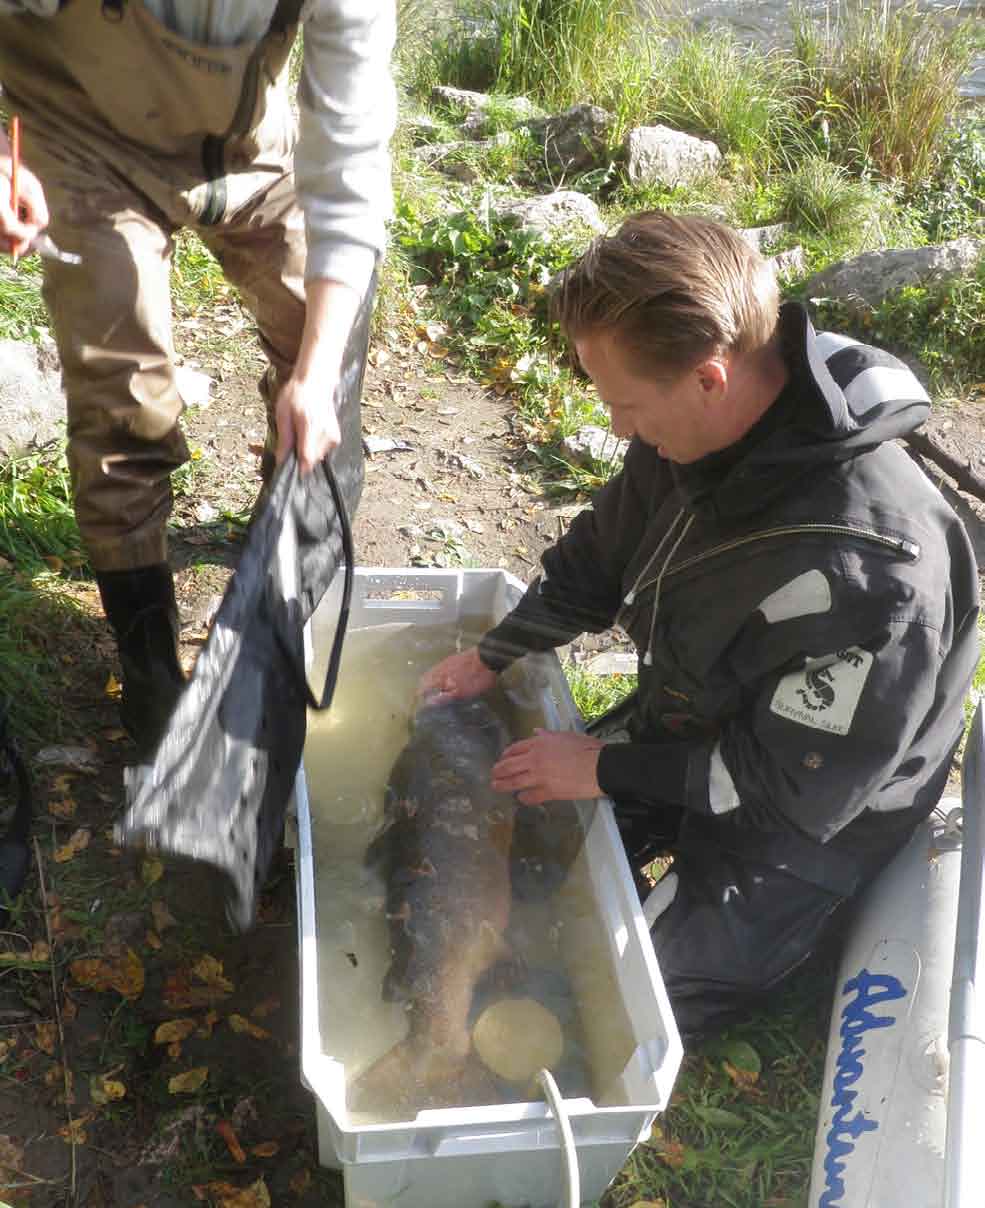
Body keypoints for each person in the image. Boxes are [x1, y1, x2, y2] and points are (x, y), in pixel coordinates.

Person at [420, 211, 981, 1038]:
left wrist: (606, 771)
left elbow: (791, 791)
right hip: (701, 714)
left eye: (625, 405)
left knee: (606, 1010)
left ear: (709, 378)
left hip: (808, 806)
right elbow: (598, 559)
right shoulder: (686, 432)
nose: (617, 428)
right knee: (498, 822)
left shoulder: (872, 577)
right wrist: (496, 655)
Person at [0, 0, 395, 753]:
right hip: (81, 130)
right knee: (123, 400)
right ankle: (148, 669)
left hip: (250, 143)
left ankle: (272, 614)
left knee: (323, 342)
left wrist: (313, 376)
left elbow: (349, 164)